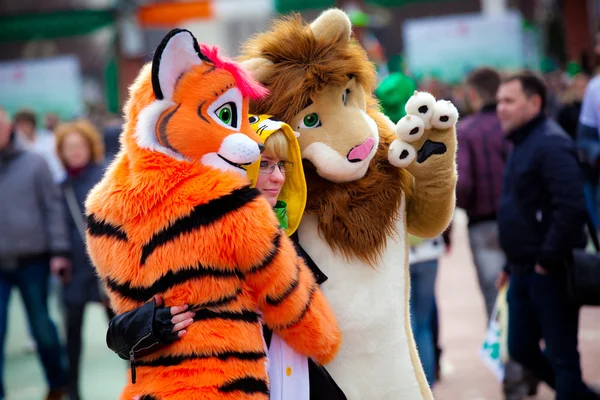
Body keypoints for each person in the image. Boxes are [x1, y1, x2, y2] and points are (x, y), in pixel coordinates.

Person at [104, 115, 345, 400]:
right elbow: (118, 334)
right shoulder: (195, 232)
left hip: (292, 382)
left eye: (282, 164)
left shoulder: (291, 231)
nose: (279, 177)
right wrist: (155, 324)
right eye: (265, 164)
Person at [495, 72, 599, 400]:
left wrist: (546, 260)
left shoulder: (551, 143)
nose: (500, 108)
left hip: (551, 270)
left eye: (509, 101)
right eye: (499, 101)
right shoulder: (522, 141)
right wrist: (511, 266)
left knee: (563, 358)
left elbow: (571, 207)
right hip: (523, 270)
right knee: (520, 348)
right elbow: (522, 210)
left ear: (534, 102)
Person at [0, 107, 70, 400]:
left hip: (34, 260)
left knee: (42, 327)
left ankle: (58, 384)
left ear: (9, 128)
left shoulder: (35, 162)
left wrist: (59, 251)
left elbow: (53, 207)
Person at [54, 120, 114, 400]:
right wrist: (60, 254)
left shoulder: (105, 177)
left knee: (125, 332)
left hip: (106, 268)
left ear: (90, 147)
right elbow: (57, 224)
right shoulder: (61, 186)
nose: (75, 152)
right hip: (75, 268)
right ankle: (73, 390)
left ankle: (140, 383)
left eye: (79, 146)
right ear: (61, 152)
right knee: (72, 336)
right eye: (69, 148)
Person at [457, 67, 510, 321]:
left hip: (483, 224)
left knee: (495, 295)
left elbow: (463, 184)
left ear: (472, 92)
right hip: (521, 220)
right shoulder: (511, 124)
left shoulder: (466, 130)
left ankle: (505, 358)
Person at [408, 234, 444, 387]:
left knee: (410, 327)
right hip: (429, 251)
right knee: (423, 327)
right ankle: (428, 386)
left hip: (402, 256)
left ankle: (414, 385)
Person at [13, 109, 65, 183]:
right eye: (20, 125)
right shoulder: (16, 147)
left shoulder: (49, 138)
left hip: (56, 180)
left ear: (33, 124)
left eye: (26, 124)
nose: (23, 128)